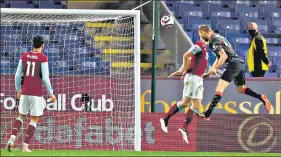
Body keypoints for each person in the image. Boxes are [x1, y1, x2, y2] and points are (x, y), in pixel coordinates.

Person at [196, 25, 271, 120]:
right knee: (241, 89)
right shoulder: (219, 37)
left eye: (200, 35)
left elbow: (223, 57)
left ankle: (208, 113)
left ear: (204, 33)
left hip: (233, 64)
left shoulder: (213, 40)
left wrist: (216, 69)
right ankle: (260, 97)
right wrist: (210, 72)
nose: (201, 38)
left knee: (220, 87)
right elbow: (219, 57)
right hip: (239, 63)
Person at [6, 35, 56, 152]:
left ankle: (12, 138)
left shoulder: (24, 56)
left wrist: (19, 90)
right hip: (36, 93)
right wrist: (51, 93)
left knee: (21, 116)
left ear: (32, 44)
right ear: (42, 45)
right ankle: (24, 145)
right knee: (35, 119)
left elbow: (17, 75)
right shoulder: (43, 58)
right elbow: (45, 78)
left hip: (25, 92)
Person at [160, 38, 208, 144]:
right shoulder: (198, 45)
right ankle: (165, 119)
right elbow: (186, 56)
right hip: (193, 77)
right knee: (185, 103)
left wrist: (180, 70)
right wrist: (184, 70)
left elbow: (191, 60)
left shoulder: (204, 50)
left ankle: (184, 128)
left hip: (199, 78)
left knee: (196, 105)